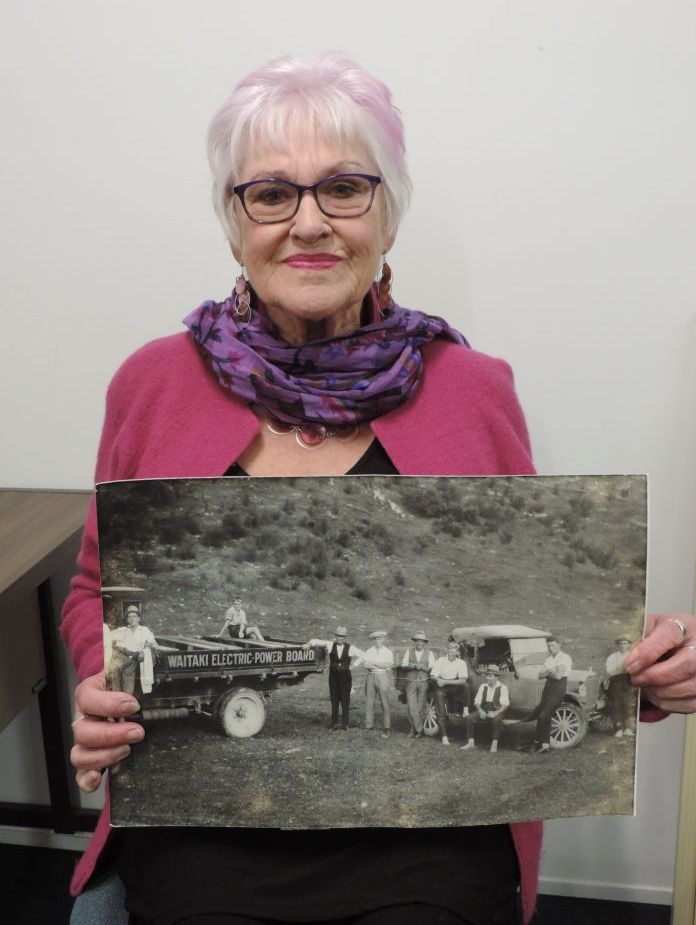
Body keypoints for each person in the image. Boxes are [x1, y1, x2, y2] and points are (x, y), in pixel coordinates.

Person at [62, 52, 696, 925]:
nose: (309, 223)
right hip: (211, 816)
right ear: (232, 220)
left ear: (388, 217)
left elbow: (540, 610)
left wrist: (646, 668)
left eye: (345, 189)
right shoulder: (151, 383)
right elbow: (98, 589)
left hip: (430, 825)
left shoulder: (475, 389)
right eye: (272, 194)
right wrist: (100, 678)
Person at [520, 636, 572, 755]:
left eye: (553, 645)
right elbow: (539, 675)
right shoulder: (549, 659)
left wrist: (548, 672)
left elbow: (559, 676)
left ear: (559, 645)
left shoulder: (565, 658)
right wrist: (551, 671)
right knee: (542, 714)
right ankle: (540, 743)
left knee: (544, 715)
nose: (551, 648)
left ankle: (543, 743)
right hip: (548, 688)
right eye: (548, 646)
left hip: (559, 687)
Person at [306, 627, 365, 730]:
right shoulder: (330, 645)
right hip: (333, 676)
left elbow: (364, 655)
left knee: (345, 699)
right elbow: (316, 641)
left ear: (345, 637)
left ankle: (345, 724)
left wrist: (353, 665)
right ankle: (334, 724)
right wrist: (309, 643)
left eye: (342, 636)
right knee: (334, 699)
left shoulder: (350, 648)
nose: (339, 638)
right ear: (335, 636)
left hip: (345, 677)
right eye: (338, 636)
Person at [107, 606, 158, 696]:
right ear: (127, 619)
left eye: (134, 616)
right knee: (115, 690)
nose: (132, 619)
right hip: (118, 660)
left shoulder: (144, 630)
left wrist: (145, 649)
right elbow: (106, 638)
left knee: (128, 692)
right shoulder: (122, 630)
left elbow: (155, 645)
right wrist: (115, 646)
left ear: (138, 618)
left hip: (131, 662)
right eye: (129, 617)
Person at [461, 666, 510, 753]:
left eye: (490, 676)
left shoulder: (502, 687)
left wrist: (495, 713)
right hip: (484, 708)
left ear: (496, 677)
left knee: (495, 720)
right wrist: (480, 711)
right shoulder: (483, 686)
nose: (488, 678)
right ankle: (471, 743)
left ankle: (494, 744)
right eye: (487, 676)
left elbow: (505, 705)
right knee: (469, 718)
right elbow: (477, 701)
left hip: (497, 709)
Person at [430, 641, 469, 745]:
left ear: (457, 653)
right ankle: (444, 736)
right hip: (440, 685)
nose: (451, 654)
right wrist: (437, 680)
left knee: (466, 686)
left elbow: (463, 680)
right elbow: (433, 675)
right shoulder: (441, 660)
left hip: (452, 684)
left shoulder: (461, 662)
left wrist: (446, 682)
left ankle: (465, 709)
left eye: (453, 652)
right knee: (440, 707)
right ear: (447, 651)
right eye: (449, 651)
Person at [359, 629, 394, 736]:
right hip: (370, 676)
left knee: (385, 702)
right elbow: (365, 665)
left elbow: (387, 665)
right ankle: (368, 725)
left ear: (383, 639)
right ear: (374, 640)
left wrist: (373, 662)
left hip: (382, 676)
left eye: (380, 638)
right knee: (369, 702)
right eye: (376, 639)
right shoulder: (369, 651)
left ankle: (387, 726)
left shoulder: (387, 651)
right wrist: (379, 664)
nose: (378, 641)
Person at [401, 632, 436, 739]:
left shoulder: (429, 653)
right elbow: (403, 665)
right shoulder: (409, 651)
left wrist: (422, 667)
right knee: (411, 706)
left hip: (423, 681)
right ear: (415, 642)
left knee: (420, 706)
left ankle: (415, 731)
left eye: (422, 641)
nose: (419, 643)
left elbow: (432, 667)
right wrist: (411, 666)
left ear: (424, 643)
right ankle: (416, 729)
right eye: (417, 641)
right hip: (411, 681)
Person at [606, 636, 635, 739]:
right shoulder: (612, 657)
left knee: (627, 704)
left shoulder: (632, 656)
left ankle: (628, 729)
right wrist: (622, 669)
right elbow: (610, 671)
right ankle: (618, 729)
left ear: (628, 645)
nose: (623, 646)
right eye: (621, 644)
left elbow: (634, 669)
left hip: (628, 682)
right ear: (618, 645)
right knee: (616, 704)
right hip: (615, 682)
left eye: (625, 643)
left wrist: (623, 670)